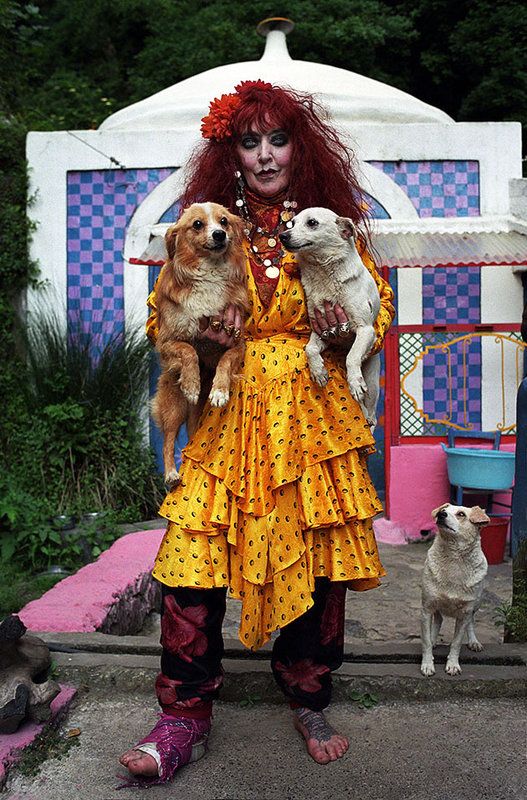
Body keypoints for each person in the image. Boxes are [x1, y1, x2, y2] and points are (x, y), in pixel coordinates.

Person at [119, 80, 395, 786]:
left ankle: (308, 697)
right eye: (250, 142)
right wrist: (206, 342)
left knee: (322, 560)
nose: (266, 155)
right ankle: (183, 714)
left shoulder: (333, 224)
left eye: (278, 139)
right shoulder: (207, 225)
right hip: (227, 408)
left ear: (298, 146)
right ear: (231, 154)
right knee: (192, 563)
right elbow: (164, 321)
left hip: (311, 414)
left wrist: (340, 340)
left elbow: (372, 309)